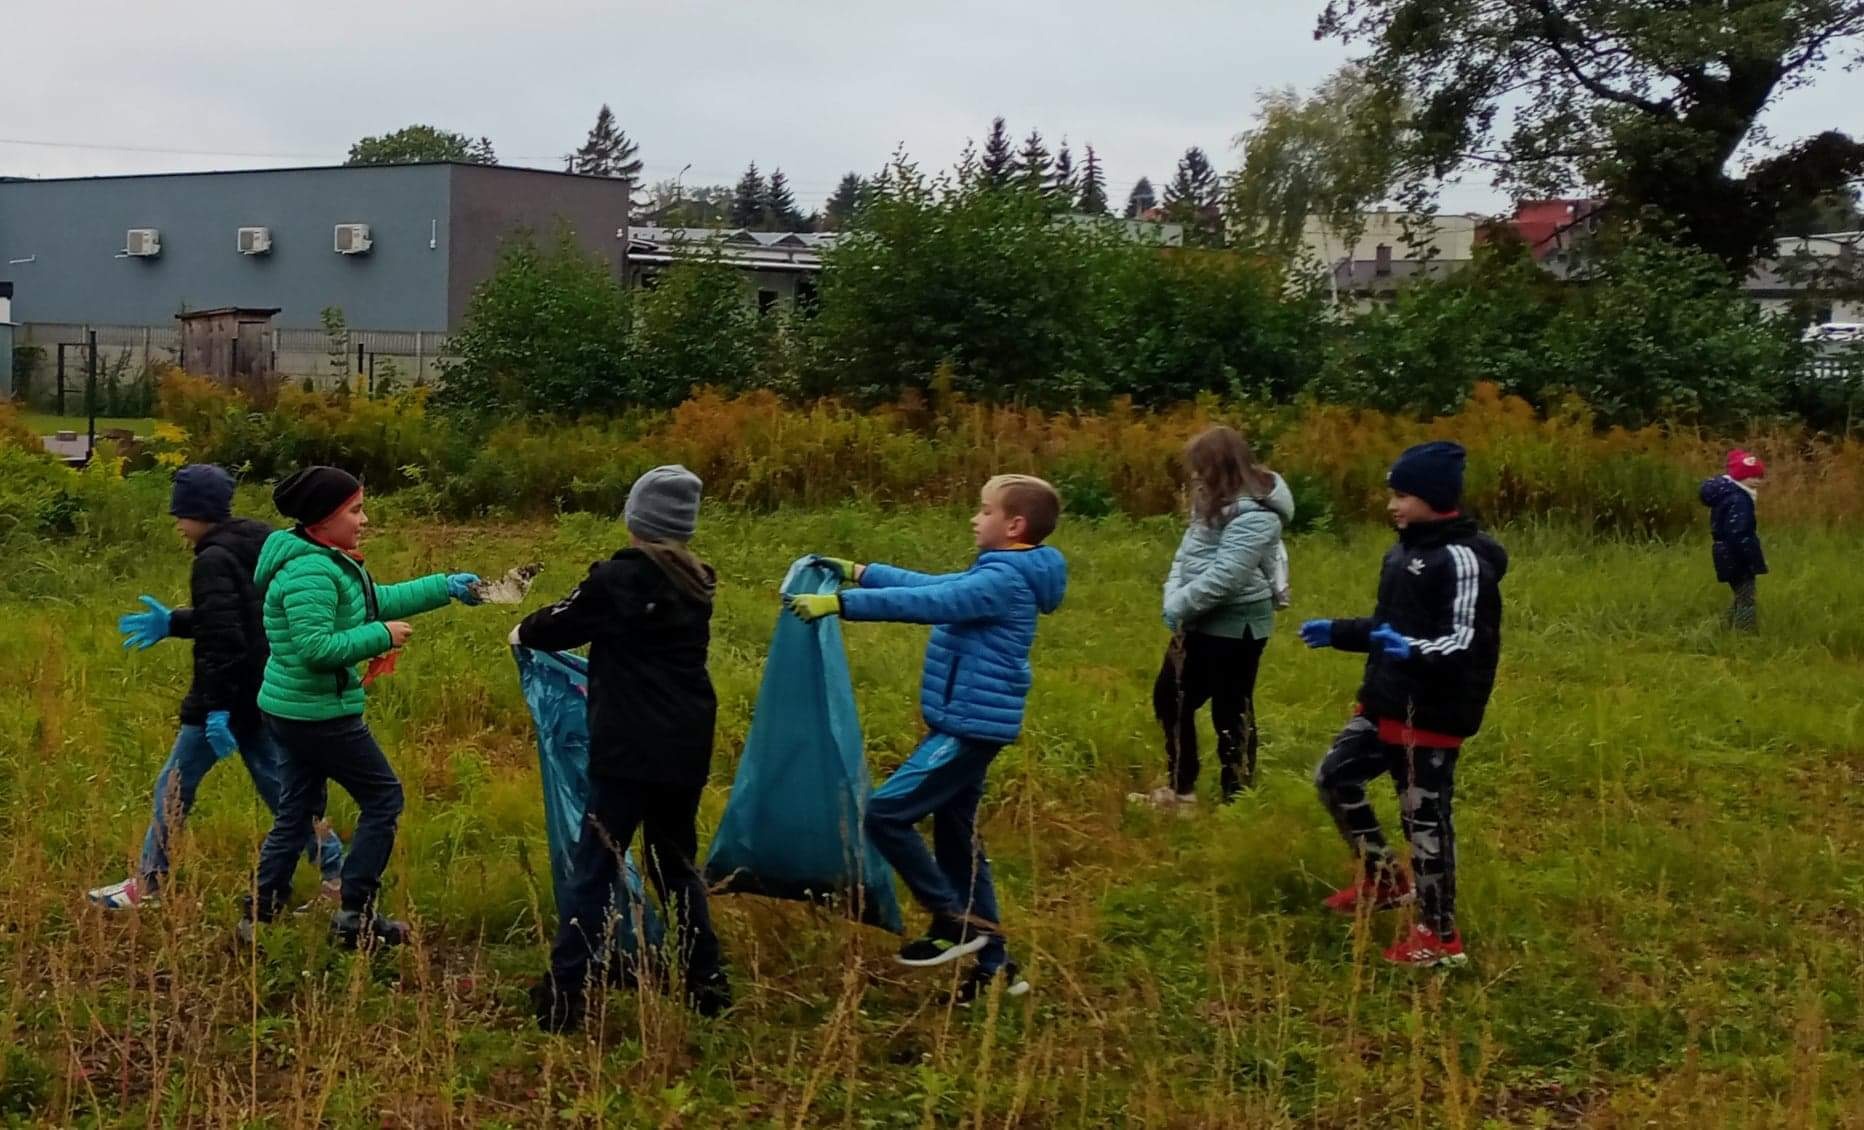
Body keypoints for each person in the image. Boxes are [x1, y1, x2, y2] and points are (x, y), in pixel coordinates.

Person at [790, 474, 1068, 1004]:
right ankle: (997, 967)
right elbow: (933, 586)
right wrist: (861, 573)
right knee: (959, 843)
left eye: (984, 510)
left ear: (1014, 525)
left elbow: (931, 605)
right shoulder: (1003, 572)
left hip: (967, 729)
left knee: (887, 814)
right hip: (966, 722)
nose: (973, 517)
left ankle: (954, 921)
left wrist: (841, 605)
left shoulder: (1003, 581)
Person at [521, 466, 730, 1032]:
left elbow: (554, 626)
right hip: (686, 746)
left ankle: (566, 996)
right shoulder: (698, 581)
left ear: (635, 518)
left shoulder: (614, 579)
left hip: (626, 749)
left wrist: (523, 630)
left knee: (596, 866)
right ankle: (707, 983)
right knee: (677, 865)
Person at [241, 466, 481, 948]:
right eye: (355, 511)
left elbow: (375, 600)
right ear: (322, 520)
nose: (364, 520)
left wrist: (445, 587)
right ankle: (356, 917)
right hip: (319, 714)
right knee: (383, 797)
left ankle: (258, 914)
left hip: (293, 709)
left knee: (297, 809)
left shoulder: (328, 559)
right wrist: (382, 636)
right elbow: (315, 647)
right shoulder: (311, 570)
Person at [88, 464, 343, 910]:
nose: (177, 525)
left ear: (198, 511)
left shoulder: (212, 559)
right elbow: (241, 617)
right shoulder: (257, 542)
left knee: (174, 785)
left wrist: (216, 709)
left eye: (180, 514)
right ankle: (338, 873)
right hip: (266, 690)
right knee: (284, 790)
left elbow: (222, 641)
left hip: (228, 700)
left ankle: (148, 885)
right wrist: (175, 621)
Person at [1299, 441, 1506, 968]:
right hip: (1385, 699)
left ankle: (1440, 936)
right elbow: (1388, 626)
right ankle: (1386, 881)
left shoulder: (1462, 560)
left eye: (1403, 494)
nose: (1392, 505)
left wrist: (1411, 651)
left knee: (1425, 822)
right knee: (1334, 776)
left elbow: (1463, 641)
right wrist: (1343, 633)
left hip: (1433, 712)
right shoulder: (1402, 551)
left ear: (1435, 497)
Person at [1138, 427, 1294, 809]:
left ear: (1222, 467)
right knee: (1170, 699)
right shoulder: (1212, 498)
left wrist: (1177, 607)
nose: (1193, 476)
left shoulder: (1258, 514)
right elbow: (1186, 553)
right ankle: (1181, 790)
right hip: (1197, 618)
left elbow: (1226, 578)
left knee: (1231, 710)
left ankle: (1236, 800)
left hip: (1236, 626)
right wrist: (1173, 595)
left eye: (1200, 467)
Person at [1701, 450, 1768, 632]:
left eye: (1759, 476)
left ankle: (1721, 628)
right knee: (1747, 598)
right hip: (1736, 554)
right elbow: (1739, 532)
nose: (1757, 481)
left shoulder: (1729, 496)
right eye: (1752, 476)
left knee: (1741, 595)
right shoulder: (1740, 500)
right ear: (1740, 477)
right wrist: (1751, 558)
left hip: (1724, 552)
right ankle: (1744, 634)